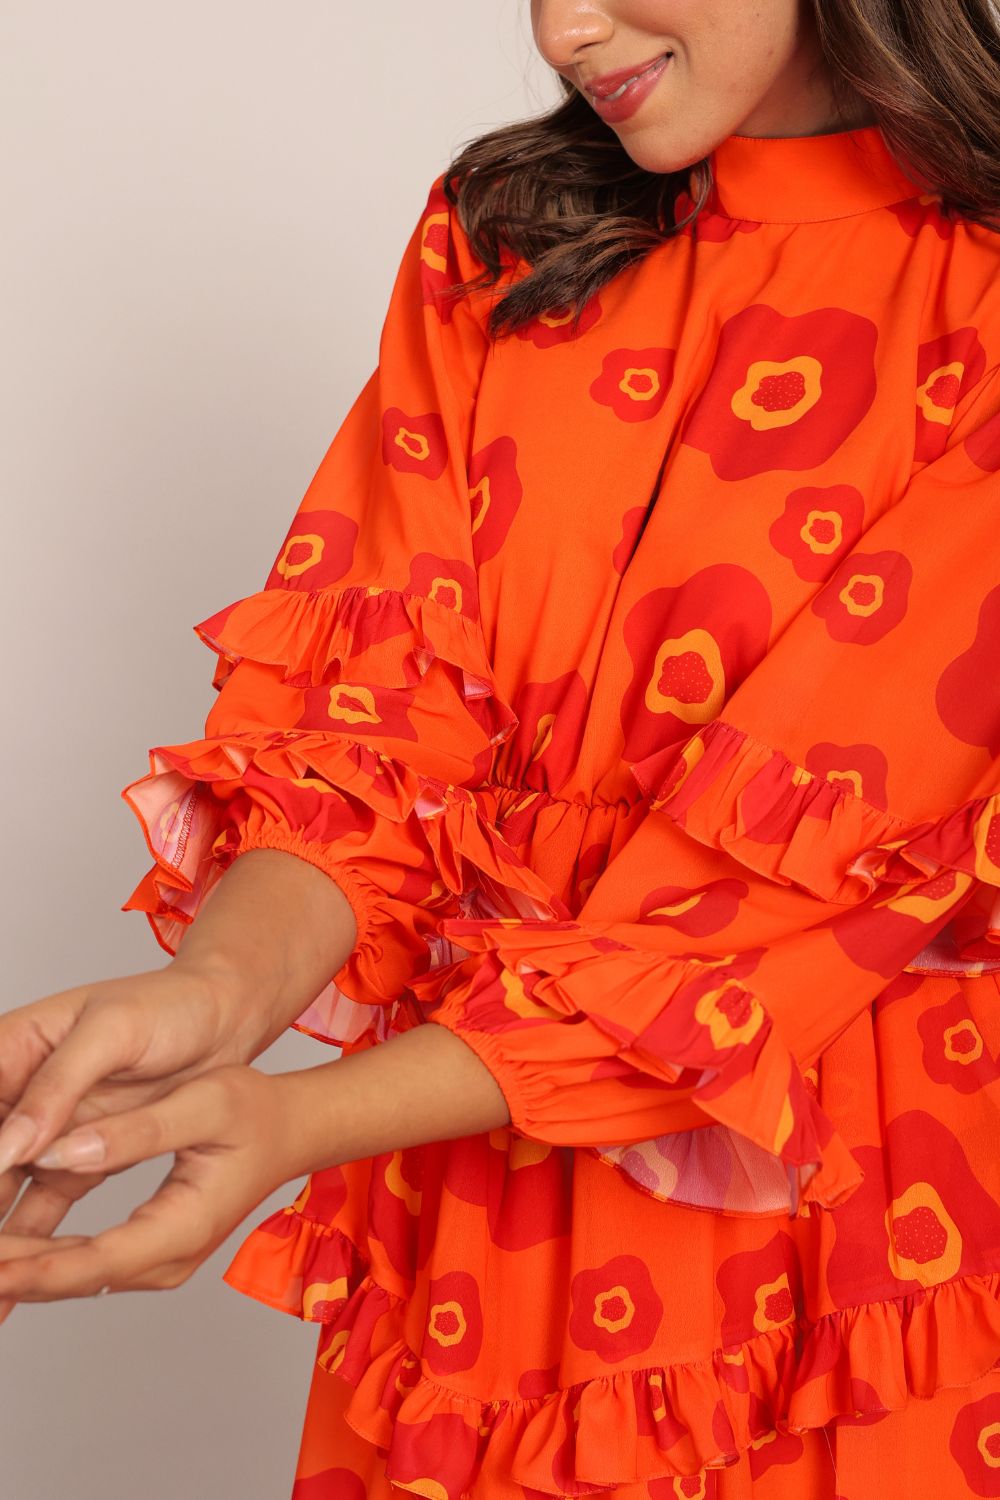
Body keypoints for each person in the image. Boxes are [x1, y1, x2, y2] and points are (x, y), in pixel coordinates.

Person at [2, 0, 1000, 1493]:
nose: (564, 26)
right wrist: (215, 998)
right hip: (478, 1220)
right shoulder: (510, 241)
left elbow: (778, 896)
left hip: (855, 1238)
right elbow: (373, 730)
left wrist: (298, 1120)